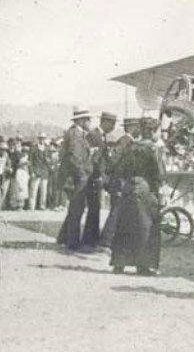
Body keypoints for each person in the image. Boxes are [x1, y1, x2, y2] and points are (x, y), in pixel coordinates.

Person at [110, 117, 164, 275]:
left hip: (128, 188)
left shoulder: (130, 147)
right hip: (146, 189)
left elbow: (118, 169)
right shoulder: (153, 149)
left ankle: (119, 263)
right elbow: (160, 174)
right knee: (146, 227)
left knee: (125, 226)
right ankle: (144, 265)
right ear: (153, 131)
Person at [99, 117, 140, 250]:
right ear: (131, 128)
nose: (139, 129)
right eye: (137, 126)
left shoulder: (125, 140)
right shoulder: (125, 141)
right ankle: (107, 241)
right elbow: (115, 160)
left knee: (117, 211)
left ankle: (108, 239)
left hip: (118, 181)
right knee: (116, 211)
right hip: (119, 182)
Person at [56, 107, 93, 251]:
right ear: (81, 120)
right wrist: (82, 174)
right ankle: (72, 242)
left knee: (75, 208)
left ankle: (64, 237)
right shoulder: (75, 135)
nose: (89, 122)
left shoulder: (77, 133)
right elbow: (73, 158)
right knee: (76, 208)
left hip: (74, 177)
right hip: (74, 178)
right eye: (88, 119)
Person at [84, 112, 117, 248]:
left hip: (97, 175)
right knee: (94, 207)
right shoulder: (94, 135)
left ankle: (92, 238)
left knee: (95, 208)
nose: (113, 127)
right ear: (105, 122)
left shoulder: (101, 136)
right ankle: (90, 239)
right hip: (93, 176)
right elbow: (94, 158)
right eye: (112, 124)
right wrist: (99, 174)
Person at [28, 133, 50, 210]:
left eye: (43, 138)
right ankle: (31, 207)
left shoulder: (47, 148)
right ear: (38, 139)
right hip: (36, 171)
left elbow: (50, 161)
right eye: (41, 138)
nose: (42, 140)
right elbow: (30, 161)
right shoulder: (33, 148)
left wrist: (48, 161)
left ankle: (42, 206)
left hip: (44, 172)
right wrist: (32, 172)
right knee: (33, 190)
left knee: (44, 191)